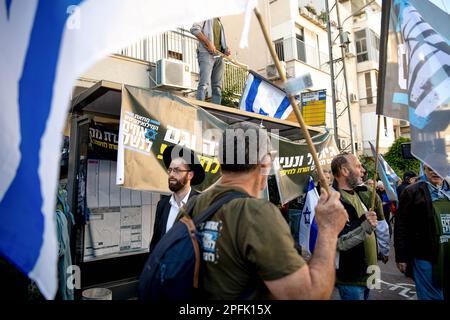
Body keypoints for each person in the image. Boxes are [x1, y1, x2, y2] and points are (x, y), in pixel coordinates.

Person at [178, 122, 348, 299]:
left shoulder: (191, 206)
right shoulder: (256, 213)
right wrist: (328, 230)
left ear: (220, 159)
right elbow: (309, 295)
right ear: (265, 161)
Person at [331, 152, 388, 300]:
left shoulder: (361, 193)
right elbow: (340, 243)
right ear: (344, 171)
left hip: (370, 271)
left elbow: (378, 226)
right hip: (351, 277)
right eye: (357, 166)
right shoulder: (332, 201)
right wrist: (366, 225)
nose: (362, 170)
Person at [394, 164, 450, 300]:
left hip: (447, 251)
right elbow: (401, 225)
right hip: (424, 253)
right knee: (430, 295)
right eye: (431, 168)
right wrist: (401, 256)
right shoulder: (412, 191)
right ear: (424, 169)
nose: (435, 172)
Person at [149, 145, 205, 252]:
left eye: (177, 170)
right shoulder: (162, 205)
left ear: (190, 175)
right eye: (170, 170)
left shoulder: (201, 203)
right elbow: (156, 242)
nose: (171, 175)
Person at [190, 18, 230, 104]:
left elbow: (219, 40)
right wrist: (208, 43)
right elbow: (194, 29)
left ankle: (216, 110)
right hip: (206, 54)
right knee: (204, 83)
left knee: (217, 87)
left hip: (219, 56)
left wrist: (225, 48)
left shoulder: (219, 21)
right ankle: (199, 107)